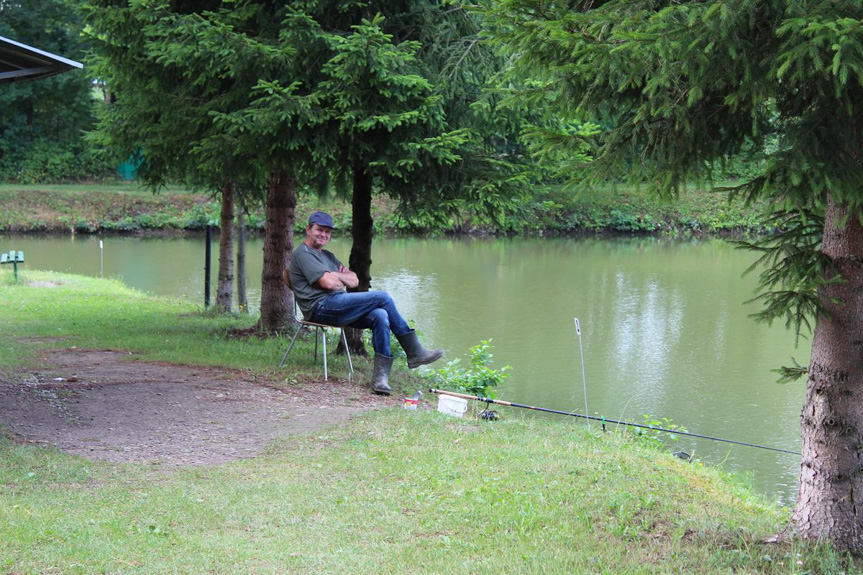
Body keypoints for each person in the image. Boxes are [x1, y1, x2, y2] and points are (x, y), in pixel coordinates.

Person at [287, 211, 444, 395]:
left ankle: (380, 379)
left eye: (327, 232)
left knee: (381, 315)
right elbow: (329, 283)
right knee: (382, 297)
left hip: (336, 304)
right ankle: (415, 352)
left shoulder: (327, 256)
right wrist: (335, 277)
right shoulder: (304, 254)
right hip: (320, 308)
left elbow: (354, 280)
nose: (324, 234)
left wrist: (334, 275)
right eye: (319, 230)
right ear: (308, 229)